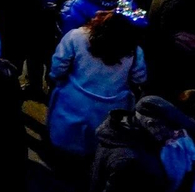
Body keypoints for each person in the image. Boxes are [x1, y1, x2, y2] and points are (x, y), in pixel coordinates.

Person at [47, 10, 147, 159]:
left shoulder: (76, 37)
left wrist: (57, 80)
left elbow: (58, 67)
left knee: (62, 153)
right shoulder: (134, 51)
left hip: (72, 102)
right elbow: (139, 78)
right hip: (111, 110)